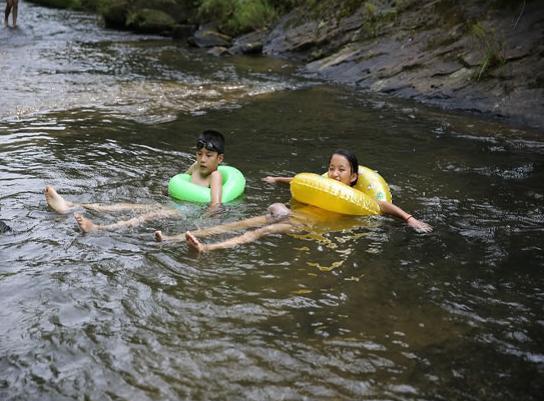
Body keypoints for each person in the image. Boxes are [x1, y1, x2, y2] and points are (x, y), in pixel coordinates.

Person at [44, 130, 226, 233]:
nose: (203, 159)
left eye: (208, 155)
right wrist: (165, 192)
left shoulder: (215, 176)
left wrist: (204, 221)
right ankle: (71, 205)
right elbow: (181, 181)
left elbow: (215, 204)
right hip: (174, 205)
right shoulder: (195, 166)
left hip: (187, 213)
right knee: (126, 205)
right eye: (199, 154)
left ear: (219, 159)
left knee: (145, 216)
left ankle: (99, 228)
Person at [263, 149, 432, 233]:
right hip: (304, 217)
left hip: (317, 225)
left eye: (341, 170)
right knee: (273, 214)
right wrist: (276, 179)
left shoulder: (360, 198)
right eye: (331, 168)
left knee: (261, 231)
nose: (335, 174)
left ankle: (240, 240)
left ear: (352, 177)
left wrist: (410, 219)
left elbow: (383, 205)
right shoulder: (323, 183)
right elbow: (297, 180)